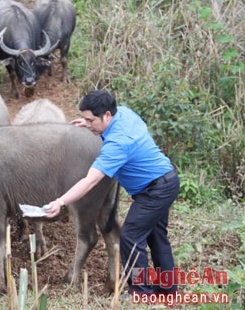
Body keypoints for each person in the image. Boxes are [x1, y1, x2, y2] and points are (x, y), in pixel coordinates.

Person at [45, 89, 180, 297]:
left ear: (107, 115)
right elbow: (103, 125)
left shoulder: (117, 144)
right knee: (156, 236)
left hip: (155, 191)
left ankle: (141, 293)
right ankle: (168, 289)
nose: (87, 124)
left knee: (130, 237)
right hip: (165, 179)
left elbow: (90, 181)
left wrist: (61, 202)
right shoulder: (123, 113)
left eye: (90, 120)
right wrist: (89, 125)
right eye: (85, 119)